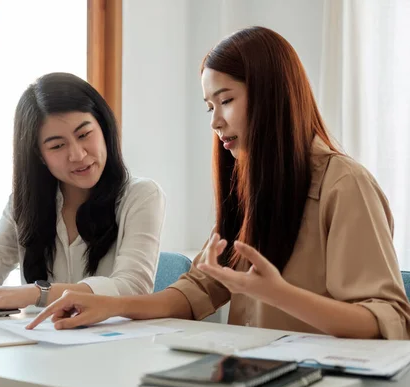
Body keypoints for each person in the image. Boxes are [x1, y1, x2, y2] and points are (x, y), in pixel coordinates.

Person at [26, 27, 410, 340]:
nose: (215, 122)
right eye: (210, 107)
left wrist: (277, 294)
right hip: (253, 373)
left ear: (271, 95)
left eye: (225, 100)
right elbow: (199, 289)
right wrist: (111, 306)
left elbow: (385, 322)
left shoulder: (344, 185)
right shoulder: (254, 185)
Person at [0, 72, 166, 312]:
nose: (78, 155)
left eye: (84, 135)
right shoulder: (26, 205)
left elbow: (132, 288)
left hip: (115, 351)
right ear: (39, 156)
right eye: (57, 146)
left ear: (103, 128)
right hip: (41, 350)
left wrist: (36, 293)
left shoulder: (141, 196)